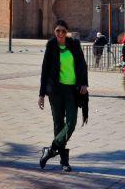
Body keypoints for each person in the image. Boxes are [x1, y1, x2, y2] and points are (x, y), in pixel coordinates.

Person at [38, 19, 88, 172]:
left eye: (63, 31)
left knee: (71, 123)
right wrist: (41, 94)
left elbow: (82, 65)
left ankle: (50, 150)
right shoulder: (51, 46)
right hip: (55, 91)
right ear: (54, 31)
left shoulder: (74, 45)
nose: (60, 33)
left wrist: (84, 83)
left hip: (72, 90)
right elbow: (45, 70)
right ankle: (64, 162)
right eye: (57, 31)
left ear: (67, 32)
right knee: (58, 125)